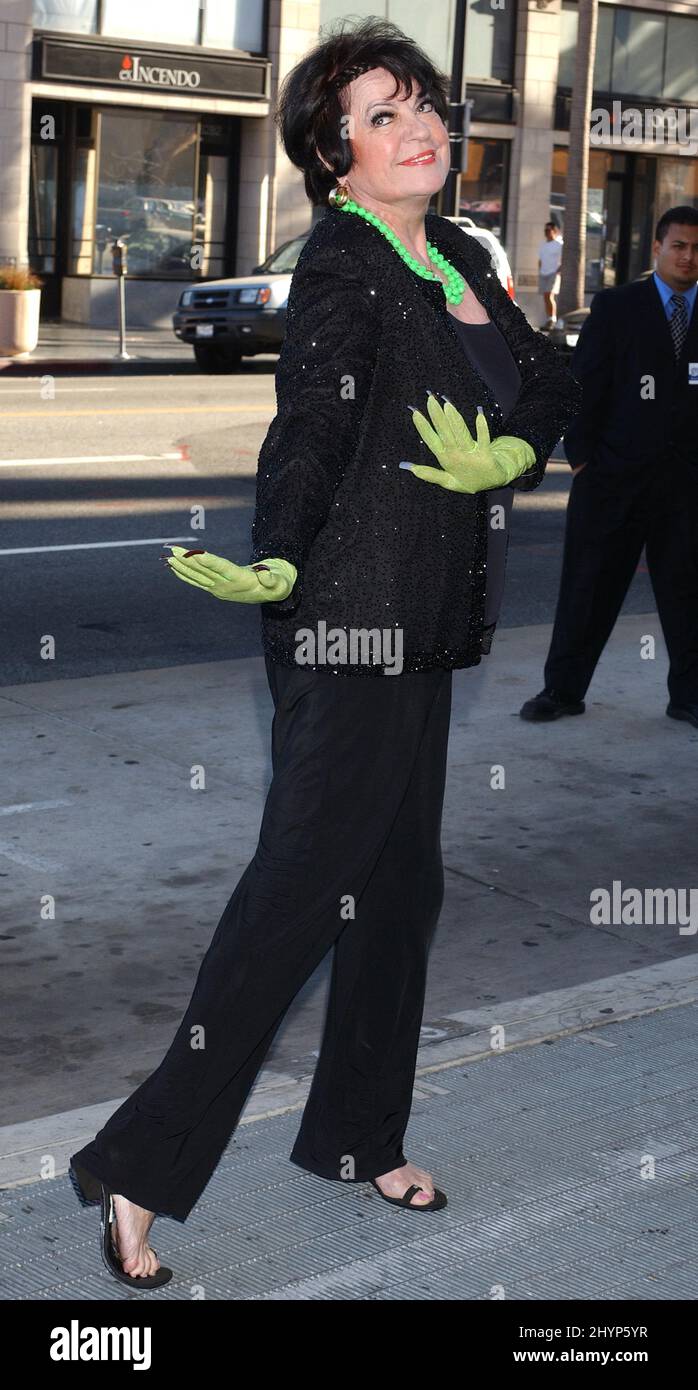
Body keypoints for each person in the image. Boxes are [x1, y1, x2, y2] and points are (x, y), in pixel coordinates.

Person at [68, 17, 582, 1289]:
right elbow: (306, 429)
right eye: (381, 114)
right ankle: (137, 1161)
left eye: (424, 107)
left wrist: (514, 453)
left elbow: (552, 384)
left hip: (424, 625)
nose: (419, 130)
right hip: (345, 619)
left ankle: (354, 1138)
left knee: (397, 894)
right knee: (297, 896)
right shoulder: (343, 268)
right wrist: (282, 552)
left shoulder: (459, 251)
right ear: (332, 154)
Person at [521, 205, 698, 728]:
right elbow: (582, 388)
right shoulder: (619, 307)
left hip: (687, 490)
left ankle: (688, 698)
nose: (689, 257)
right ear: (658, 250)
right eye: (680, 246)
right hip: (611, 482)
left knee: (688, 596)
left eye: (696, 248)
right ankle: (562, 691)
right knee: (588, 589)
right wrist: (582, 464)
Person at [538, 221, 563, 327]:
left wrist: (558, 270)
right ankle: (549, 319)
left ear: (554, 231)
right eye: (545, 230)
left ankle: (553, 319)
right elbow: (540, 260)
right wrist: (540, 270)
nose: (546, 232)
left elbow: (564, 259)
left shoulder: (559, 245)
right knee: (545, 297)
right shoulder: (543, 245)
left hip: (553, 273)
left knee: (549, 295)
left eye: (548, 230)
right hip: (543, 273)